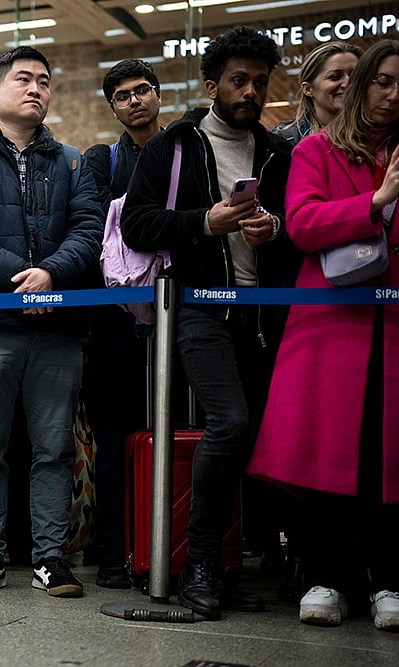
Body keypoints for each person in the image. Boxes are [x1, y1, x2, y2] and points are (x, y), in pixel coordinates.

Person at [122, 26, 295, 620]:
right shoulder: (172, 145)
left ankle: (226, 566)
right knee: (231, 423)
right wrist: (203, 223)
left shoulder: (277, 152)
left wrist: (273, 232)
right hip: (198, 309)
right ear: (211, 84)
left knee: (255, 436)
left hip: (261, 315)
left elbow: (299, 235)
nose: (250, 92)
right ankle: (197, 564)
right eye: (238, 81)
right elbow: (136, 225)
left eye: (259, 82)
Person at [0, 46, 103, 597]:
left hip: (57, 331)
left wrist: (50, 274)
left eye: (45, 82)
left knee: (53, 449)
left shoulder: (72, 160)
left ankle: (50, 558)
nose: (37, 89)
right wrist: (23, 277)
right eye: (24, 79)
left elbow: (88, 231)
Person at [247, 39, 399, 633]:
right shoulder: (317, 149)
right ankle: (324, 575)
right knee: (328, 455)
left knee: (390, 456)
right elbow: (304, 225)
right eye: (382, 80)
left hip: (392, 325)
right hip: (333, 323)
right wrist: (378, 199)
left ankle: (388, 578)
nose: (392, 93)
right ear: (362, 85)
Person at [81, 57, 164, 590]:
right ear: (113, 106)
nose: (135, 101)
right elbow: (89, 230)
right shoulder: (101, 161)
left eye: (143, 91)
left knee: (168, 435)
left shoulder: (184, 150)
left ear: (158, 95)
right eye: (124, 95)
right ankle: (113, 548)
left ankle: (166, 543)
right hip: (112, 325)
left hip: (174, 316)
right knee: (112, 442)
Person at [274, 41, 363, 145]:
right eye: (335, 77)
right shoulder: (285, 141)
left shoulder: (379, 135)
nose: (348, 84)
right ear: (308, 89)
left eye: (355, 76)